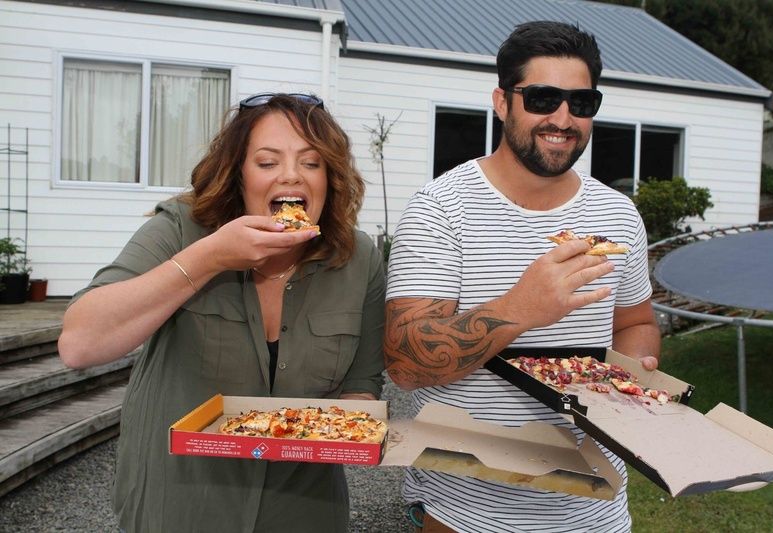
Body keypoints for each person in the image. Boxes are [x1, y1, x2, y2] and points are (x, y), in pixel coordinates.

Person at [58, 93, 386, 532]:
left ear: (330, 178)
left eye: (311, 163)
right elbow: (79, 344)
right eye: (267, 163)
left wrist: (352, 430)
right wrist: (209, 258)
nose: (291, 175)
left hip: (303, 508)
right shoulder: (181, 228)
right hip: (181, 503)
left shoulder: (359, 257)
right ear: (238, 176)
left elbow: (361, 386)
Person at [384, 21, 660, 533]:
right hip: (465, 509)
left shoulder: (619, 216)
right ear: (502, 101)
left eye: (581, 103)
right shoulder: (440, 210)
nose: (563, 118)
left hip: (594, 509)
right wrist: (522, 307)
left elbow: (636, 321)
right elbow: (404, 362)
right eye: (542, 98)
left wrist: (633, 373)